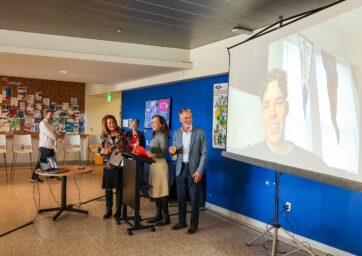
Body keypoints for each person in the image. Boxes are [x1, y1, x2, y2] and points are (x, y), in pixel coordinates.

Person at [242, 68, 328, 170]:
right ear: (262, 112)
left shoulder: (312, 163)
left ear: (287, 108)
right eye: (266, 105)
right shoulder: (246, 157)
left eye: (278, 103)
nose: (272, 113)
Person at [169, 108, 207, 234]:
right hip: (180, 169)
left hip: (194, 170)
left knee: (194, 198)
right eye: (186, 118)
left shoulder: (200, 132)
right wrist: (173, 153)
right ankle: (181, 221)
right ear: (180, 119)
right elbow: (175, 154)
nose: (189, 120)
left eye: (190, 117)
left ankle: (193, 225)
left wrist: (199, 171)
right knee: (181, 197)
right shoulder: (176, 133)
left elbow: (204, 153)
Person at [98, 115, 130, 220]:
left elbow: (128, 146)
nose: (112, 124)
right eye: (109, 123)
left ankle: (118, 210)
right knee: (108, 188)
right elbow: (100, 150)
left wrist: (121, 150)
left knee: (119, 188)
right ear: (106, 125)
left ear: (115, 122)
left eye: (113, 122)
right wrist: (103, 151)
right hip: (108, 165)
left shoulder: (123, 133)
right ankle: (108, 210)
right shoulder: (103, 135)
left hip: (120, 164)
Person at [146, 115, 170, 226]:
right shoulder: (155, 135)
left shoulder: (163, 136)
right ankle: (158, 215)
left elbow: (164, 153)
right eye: (152, 122)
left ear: (161, 124)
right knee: (156, 191)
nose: (153, 124)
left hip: (160, 166)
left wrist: (152, 154)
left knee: (162, 191)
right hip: (154, 165)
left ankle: (166, 217)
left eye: (155, 122)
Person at [31, 110, 63, 183]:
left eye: (52, 115)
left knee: (52, 161)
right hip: (44, 145)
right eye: (50, 114)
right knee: (42, 162)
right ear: (46, 115)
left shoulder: (51, 124)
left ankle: (53, 175)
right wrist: (58, 139)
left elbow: (55, 131)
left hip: (51, 146)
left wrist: (59, 132)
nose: (51, 116)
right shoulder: (42, 123)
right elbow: (49, 133)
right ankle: (34, 177)